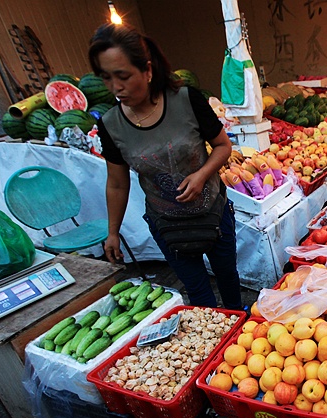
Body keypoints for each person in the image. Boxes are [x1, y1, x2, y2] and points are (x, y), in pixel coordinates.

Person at [89, 23, 243, 310]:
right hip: (168, 225)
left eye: (123, 76)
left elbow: (223, 146)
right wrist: (112, 232)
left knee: (229, 283)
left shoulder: (186, 100)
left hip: (214, 213)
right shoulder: (110, 125)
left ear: (147, 70)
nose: (116, 87)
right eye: (106, 78)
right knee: (200, 298)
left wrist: (201, 175)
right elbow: (117, 183)